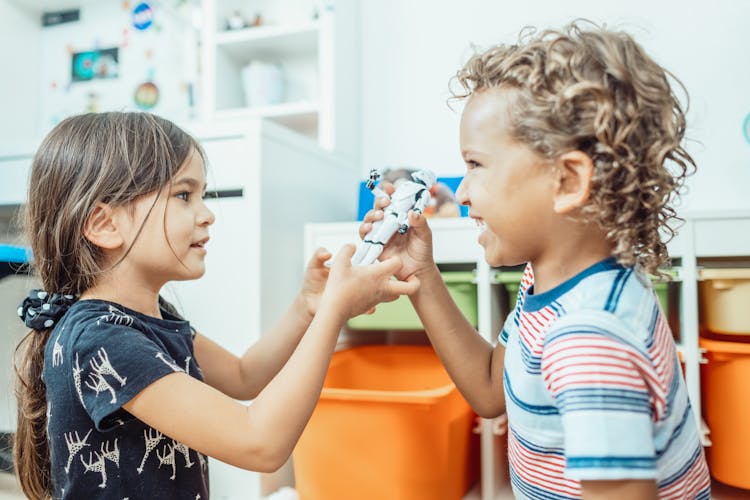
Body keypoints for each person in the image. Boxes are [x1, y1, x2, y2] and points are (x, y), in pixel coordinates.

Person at [361, 21, 710, 499]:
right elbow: (490, 389)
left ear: (567, 181)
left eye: (475, 165)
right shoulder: (553, 280)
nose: (461, 193)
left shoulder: (589, 338)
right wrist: (420, 272)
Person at [13, 111, 418, 499]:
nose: (207, 215)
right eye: (184, 195)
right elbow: (260, 442)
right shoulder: (102, 341)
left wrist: (308, 308)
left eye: (202, 195)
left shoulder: (153, 317)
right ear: (105, 224)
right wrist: (333, 312)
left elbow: (244, 376)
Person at [351, 168, 436, 266]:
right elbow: (390, 199)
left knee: (378, 241)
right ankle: (354, 262)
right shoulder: (405, 185)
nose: (422, 174)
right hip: (387, 212)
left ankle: (364, 265)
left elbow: (417, 211)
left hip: (396, 217)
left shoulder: (423, 192)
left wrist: (406, 224)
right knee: (368, 237)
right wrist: (373, 188)